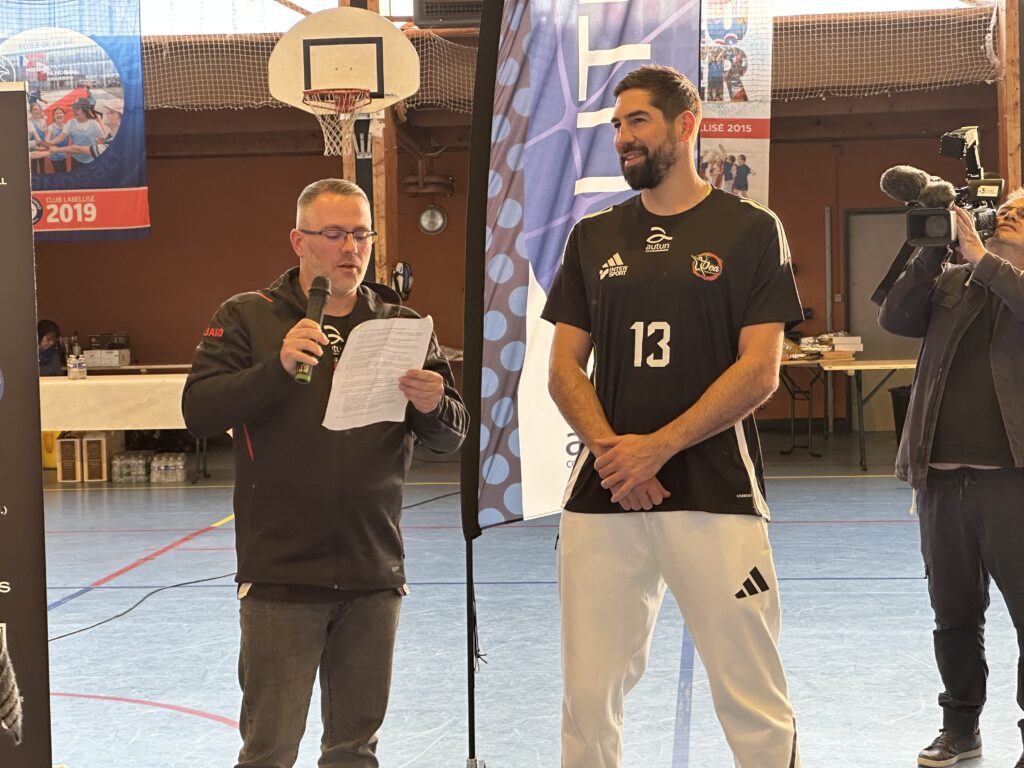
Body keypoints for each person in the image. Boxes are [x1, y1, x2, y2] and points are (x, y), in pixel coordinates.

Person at [542, 64, 803, 768]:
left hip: (717, 493)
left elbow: (759, 371)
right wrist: (614, 454)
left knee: (751, 696)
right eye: (617, 125)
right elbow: (563, 369)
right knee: (588, 699)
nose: (623, 138)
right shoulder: (592, 239)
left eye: (638, 122)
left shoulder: (751, 229)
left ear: (686, 127)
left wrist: (656, 448)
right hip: (606, 496)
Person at [182, 178, 468, 768]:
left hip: (373, 570)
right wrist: (278, 367)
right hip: (281, 573)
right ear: (299, 240)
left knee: (355, 751)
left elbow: (449, 436)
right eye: (334, 234)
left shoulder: (402, 323)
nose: (350, 248)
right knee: (269, 750)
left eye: (361, 234)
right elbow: (200, 411)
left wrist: (433, 402)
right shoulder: (249, 317)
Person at [879, 195, 1024, 768]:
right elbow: (896, 318)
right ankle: (960, 728)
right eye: (1007, 206)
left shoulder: (999, 276)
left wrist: (984, 258)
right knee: (954, 614)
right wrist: (930, 252)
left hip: (1013, 485)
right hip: (940, 483)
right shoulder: (956, 279)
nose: (1010, 211)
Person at [59, 98, 107, 168]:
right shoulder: (71, 122)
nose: (74, 110)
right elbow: (61, 136)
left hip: (91, 159)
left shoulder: (94, 124)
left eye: (77, 109)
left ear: (85, 110)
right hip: (76, 158)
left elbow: (103, 140)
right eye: (74, 108)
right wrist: (50, 143)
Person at [45, 107, 70, 173]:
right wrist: (51, 145)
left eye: (60, 113)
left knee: (64, 170)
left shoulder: (66, 126)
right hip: (54, 156)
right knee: (58, 172)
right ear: (53, 116)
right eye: (56, 113)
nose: (59, 115)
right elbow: (46, 140)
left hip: (63, 154)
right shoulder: (51, 127)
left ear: (64, 115)